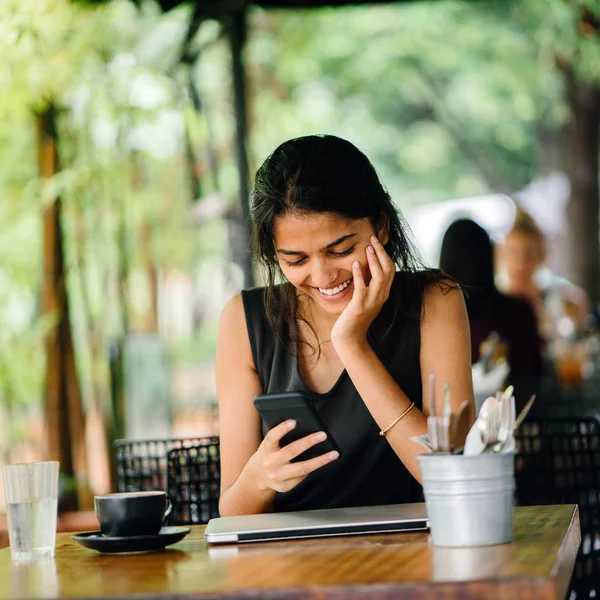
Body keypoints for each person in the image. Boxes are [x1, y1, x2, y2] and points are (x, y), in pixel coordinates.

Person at [216, 135, 474, 517]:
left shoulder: (436, 301)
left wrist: (352, 344)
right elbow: (232, 513)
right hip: (289, 561)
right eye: (295, 259)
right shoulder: (245, 319)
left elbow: (452, 477)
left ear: (381, 226)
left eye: (340, 250)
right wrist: (259, 477)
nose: (322, 275)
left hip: (411, 553)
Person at [439, 219, 543, 412]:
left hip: (451, 429)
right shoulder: (520, 311)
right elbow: (536, 378)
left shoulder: (434, 323)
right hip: (516, 426)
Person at [500, 208, 591, 343]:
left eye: (529, 255)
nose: (520, 263)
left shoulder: (555, 301)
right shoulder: (497, 307)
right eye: (513, 253)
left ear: (541, 257)